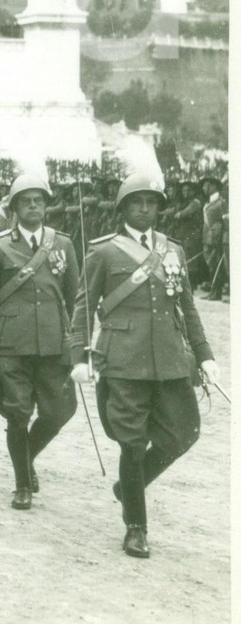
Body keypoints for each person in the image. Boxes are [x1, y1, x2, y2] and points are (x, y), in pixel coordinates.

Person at [70, 172, 217, 559]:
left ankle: (128, 485)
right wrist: (80, 356)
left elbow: (186, 306)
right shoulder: (103, 251)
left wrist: (204, 354)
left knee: (184, 433)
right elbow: (84, 306)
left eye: (152, 202)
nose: (145, 208)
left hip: (169, 360)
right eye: (137, 202)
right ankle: (136, 526)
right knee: (132, 443)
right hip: (122, 360)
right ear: (122, 208)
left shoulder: (174, 251)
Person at [0, 173, 79, 509]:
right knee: (18, 413)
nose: (34, 206)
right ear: (14, 207)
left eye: (39, 201)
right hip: (11, 344)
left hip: (51, 344)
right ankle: (22, 484)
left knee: (60, 410)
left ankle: (26, 456)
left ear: (46, 206)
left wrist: (68, 338)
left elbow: (73, 297)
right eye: (26, 201)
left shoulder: (62, 244)